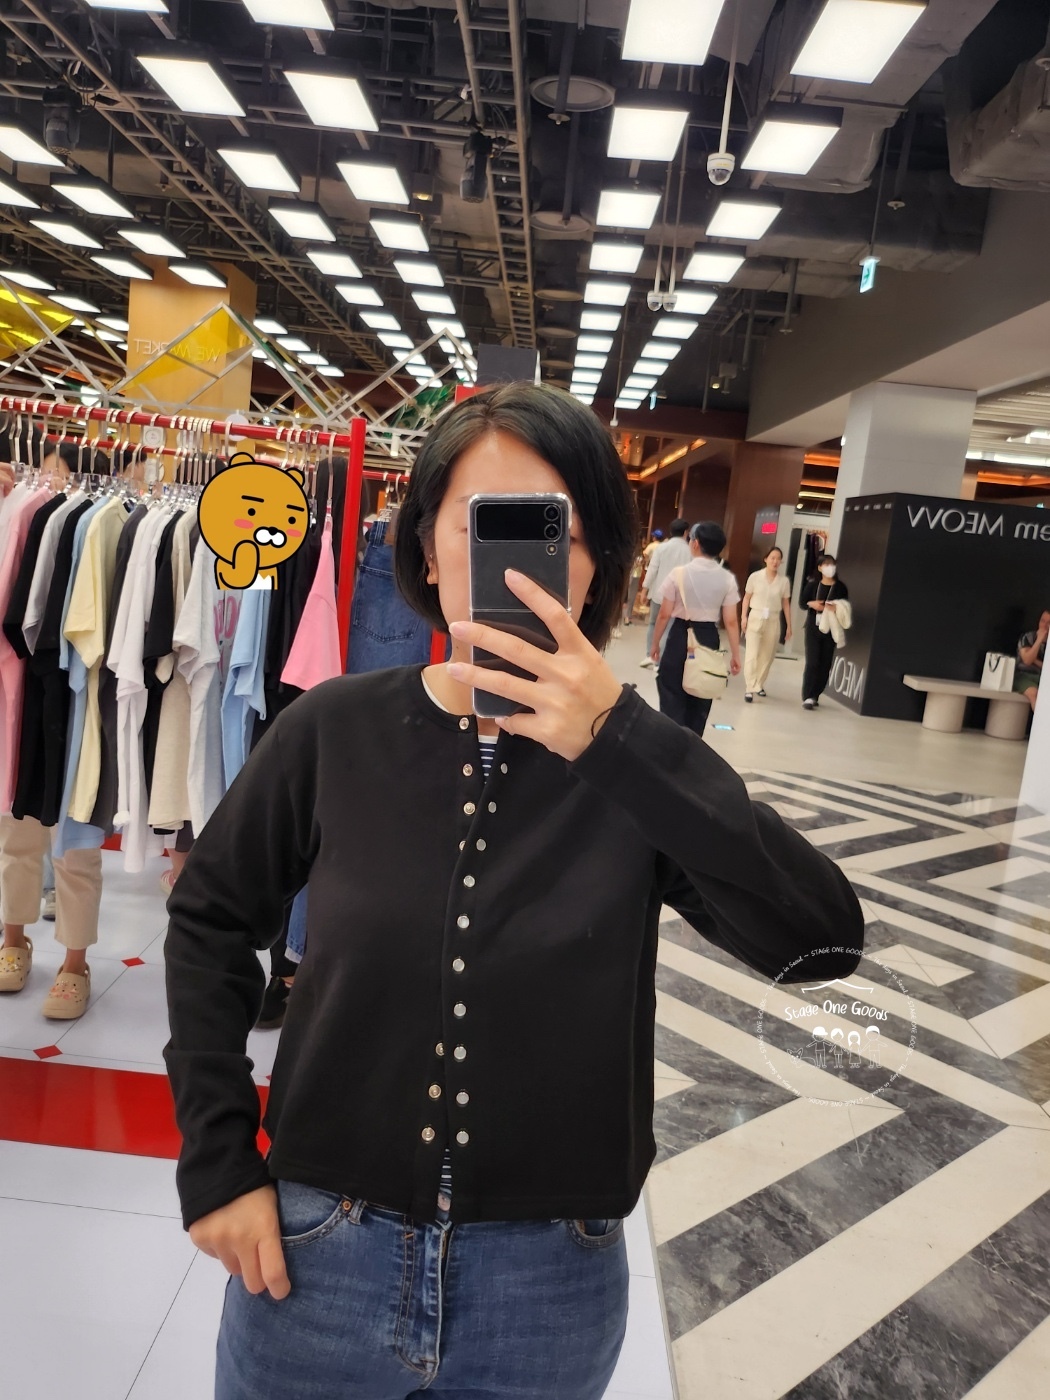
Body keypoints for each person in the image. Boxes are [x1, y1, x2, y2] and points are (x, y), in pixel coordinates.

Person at [163, 383, 863, 1400]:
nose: (522, 566)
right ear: (427, 548)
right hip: (318, 1256)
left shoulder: (634, 769)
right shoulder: (333, 729)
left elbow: (821, 940)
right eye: (485, 524)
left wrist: (618, 739)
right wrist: (218, 1157)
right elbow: (210, 921)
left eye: (558, 533)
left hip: (548, 1284)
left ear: (598, 562)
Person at [0, 442, 108, 1017]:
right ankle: (13, 938)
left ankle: (74, 961)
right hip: (20, 690)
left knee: (75, 835)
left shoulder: (97, 522)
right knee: (15, 827)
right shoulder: (23, 510)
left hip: (79, 691)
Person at [650, 521, 741, 739]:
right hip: (708, 637)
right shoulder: (727, 578)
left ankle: (673, 740)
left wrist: (655, 644)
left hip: (681, 635)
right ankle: (693, 741)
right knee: (702, 687)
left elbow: (664, 614)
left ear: (696, 544)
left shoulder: (679, 574)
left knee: (671, 687)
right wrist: (736, 655)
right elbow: (730, 621)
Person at [741, 546, 793, 702]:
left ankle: (759, 683)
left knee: (767, 655)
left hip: (773, 618)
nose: (775, 561)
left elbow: (786, 604)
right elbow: (746, 598)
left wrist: (789, 625)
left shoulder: (784, 581)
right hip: (756, 615)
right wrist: (743, 617)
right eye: (772, 558)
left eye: (778, 559)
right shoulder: (755, 577)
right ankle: (749, 687)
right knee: (751, 654)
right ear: (766, 559)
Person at [638, 518, 690, 668]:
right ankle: (659, 661)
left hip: (658, 594)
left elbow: (652, 569)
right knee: (668, 627)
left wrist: (644, 589)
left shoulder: (661, 548)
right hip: (678, 597)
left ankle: (649, 655)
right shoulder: (690, 551)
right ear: (685, 533)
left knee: (653, 623)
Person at [800, 552, 849, 709]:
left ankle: (816, 694)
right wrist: (812, 604)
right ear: (820, 567)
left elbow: (845, 606)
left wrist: (835, 608)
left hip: (831, 629)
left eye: (832, 564)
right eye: (826, 564)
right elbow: (802, 603)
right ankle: (807, 696)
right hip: (813, 627)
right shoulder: (813, 585)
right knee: (812, 661)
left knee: (825, 663)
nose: (830, 567)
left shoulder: (840, 587)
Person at [1015, 609, 1048, 711]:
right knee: (1034, 693)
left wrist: (1035, 660)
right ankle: (1041, 720)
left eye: (1049, 623)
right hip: (1023, 674)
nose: (1044, 625)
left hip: (1043, 677)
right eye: (1042, 621)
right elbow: (1027, 661)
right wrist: (1039, 640)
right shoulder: (1027, 637)